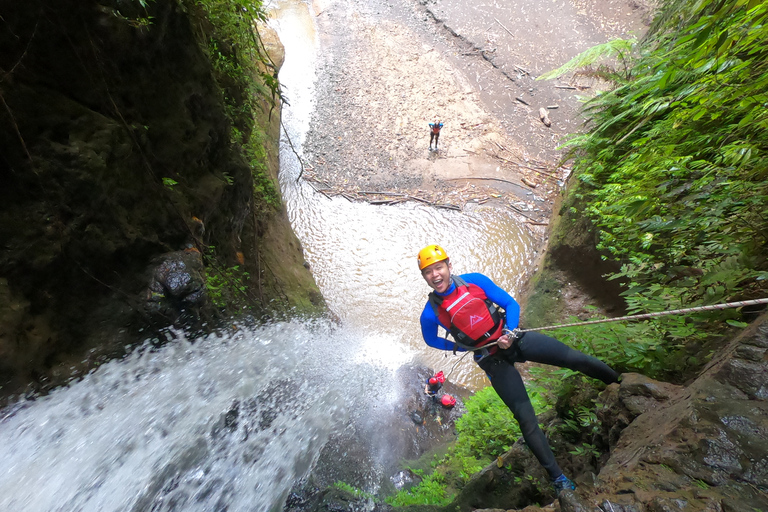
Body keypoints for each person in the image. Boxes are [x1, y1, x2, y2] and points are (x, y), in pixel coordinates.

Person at [416, 244, 621, 497]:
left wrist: (510, 332)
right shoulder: (430, 313)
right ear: (424, 276)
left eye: (439, 267)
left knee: (574, 358)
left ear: (449, 266)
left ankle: (620, 384)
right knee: (526, 417)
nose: (435, 275)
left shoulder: (475, 282)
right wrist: (460, 346)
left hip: (515, 339)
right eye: (428, 272)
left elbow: (510, 304)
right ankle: (558, 479)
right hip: (490, 359)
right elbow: (430, 340)